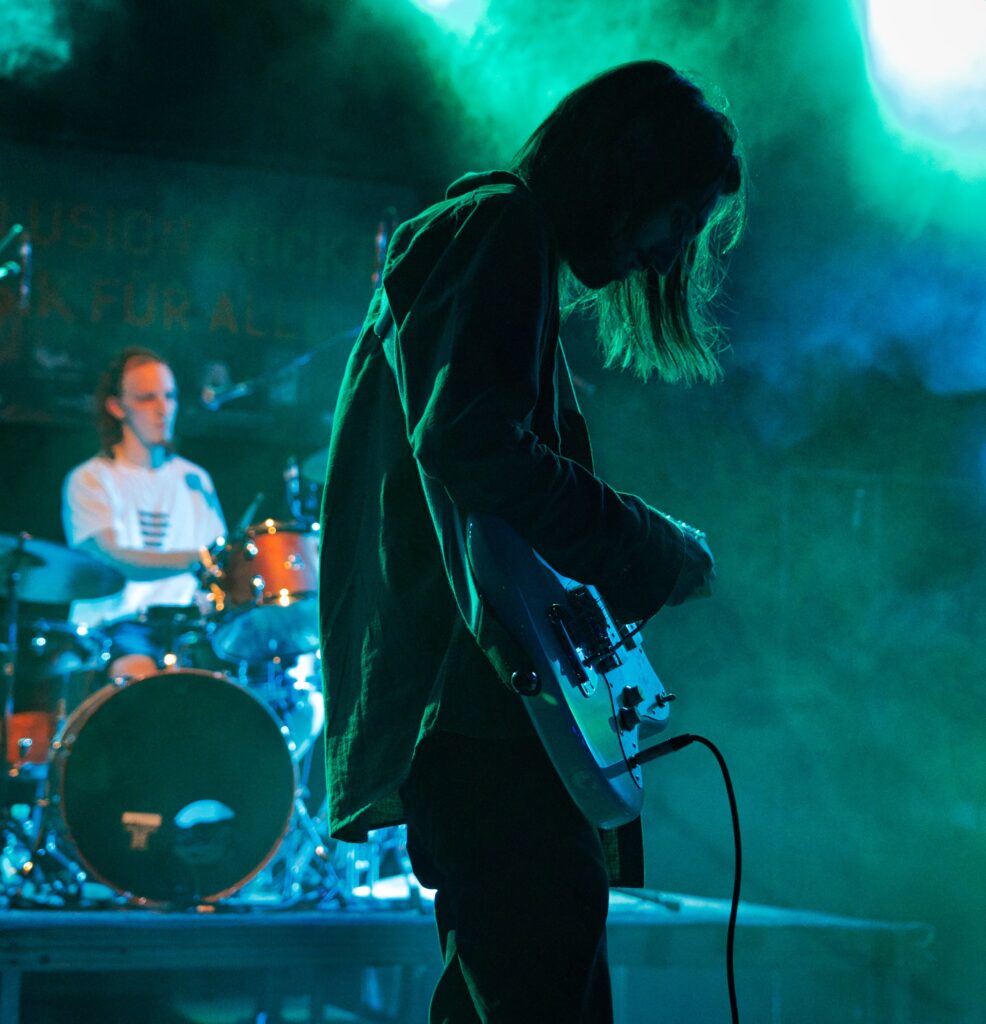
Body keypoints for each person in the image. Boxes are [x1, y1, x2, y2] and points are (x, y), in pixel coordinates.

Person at [319, 61, 746, 1023]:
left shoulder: (489, 249)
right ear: (625, 170)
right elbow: (470, 442)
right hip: (481, 728)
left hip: (481, 724)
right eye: (676, 218)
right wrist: (653, 545)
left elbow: (488, 495)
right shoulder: (498, 224)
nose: (664, 253)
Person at [62, 346, 226, 678]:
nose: (163, 409)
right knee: (142, 681)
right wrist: (197, 558)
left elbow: (219, 562)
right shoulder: (91, 478)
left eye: (170, 396)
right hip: (117, 628)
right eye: (147, 398)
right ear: (116, 406)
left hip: (186, 628)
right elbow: (112, 559)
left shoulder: (195, 479)